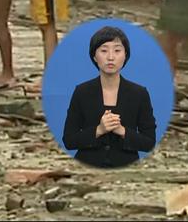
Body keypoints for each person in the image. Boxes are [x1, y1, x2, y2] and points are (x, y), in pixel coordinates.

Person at [62, 26, 157, 168]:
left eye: (117, 50)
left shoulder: (139, 93)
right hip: (87, 166)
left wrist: (122, 131)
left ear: (126, 55)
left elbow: (149, 142)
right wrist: (99, 130)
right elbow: (69, 141)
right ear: (94, 56)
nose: (110, 57)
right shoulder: (82, 92)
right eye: (104, 50)